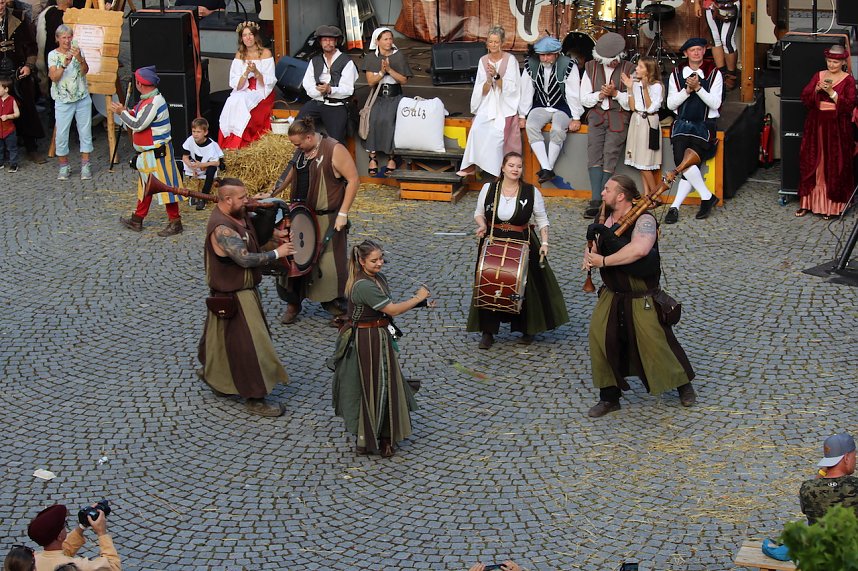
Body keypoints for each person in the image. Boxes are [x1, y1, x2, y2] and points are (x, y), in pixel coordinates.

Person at [582, 175, 696, 417]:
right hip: (612, 293)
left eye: (607, 189)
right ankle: (609, 397)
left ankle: (683, 383)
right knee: (600, 338)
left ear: (621, 195)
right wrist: (590, 253)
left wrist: (603, 261)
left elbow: (639, 250)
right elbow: (594, 245)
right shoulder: (604, 217)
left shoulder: (644, 219)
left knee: (655, 342)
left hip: (639, 294)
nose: (602, 193)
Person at [197, 178, 294, 417]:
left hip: (242, 293)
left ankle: (218, 378)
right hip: (235, 296)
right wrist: (276, 253)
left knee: (223, 345)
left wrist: (274, 232)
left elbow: (252, 237)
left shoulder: (238, 216)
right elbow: (244, 258)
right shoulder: (222, 228)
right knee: (252, 347)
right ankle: (255, 398)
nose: (246, 200)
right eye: (241, 197)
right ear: (227, 199)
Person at [331, 239, 432, 457]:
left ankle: (386, 436)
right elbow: (393, 310)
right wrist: (417, 297)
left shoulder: (378, 279)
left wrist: (421, 303)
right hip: (367, 340)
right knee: (370, 387)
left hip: (379, 336)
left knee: (386, 385)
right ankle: (367, 437)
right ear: (361, 261)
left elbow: (384, 310)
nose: (379, 263)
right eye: (374, 260)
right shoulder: (363, 285)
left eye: (381, 259)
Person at [467, 151, 569, 349]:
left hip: (522, 241)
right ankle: (488, 332)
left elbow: (541, 219)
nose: (515, 169)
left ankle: (527, 329)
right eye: (511, 165)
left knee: (525, 285)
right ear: (503, 168)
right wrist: (482, 225)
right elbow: (479, 214)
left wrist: (545, 243)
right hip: (493, 241)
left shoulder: (531, 192)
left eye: (519, 166)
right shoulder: (489, 188)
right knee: (488, 282)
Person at [277, 117, 359, 325]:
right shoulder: (303, 151)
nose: (296, 148)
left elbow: (353, 180)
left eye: (298, 144)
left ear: (310, 136)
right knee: (294, 258)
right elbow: (291, 171)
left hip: (326, 217)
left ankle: (337, 308)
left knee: (328, 263)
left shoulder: (334, 149)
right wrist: (272, 192)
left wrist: (343, 213)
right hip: (300, 215)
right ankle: (293, 303)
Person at [110, 65, 186, 237]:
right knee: (145, 187)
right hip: (148, 154)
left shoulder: (154, 102)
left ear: (139, 83)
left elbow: (138, 124)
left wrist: (122, 112)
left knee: (167, 188)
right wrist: (126, 112)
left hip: (158, 153)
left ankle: (176, 222)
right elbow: (136, 115)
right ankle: (137, 219)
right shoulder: (147, 100)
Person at [664, 37, 722, 224]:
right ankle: (707, 197)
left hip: (704, 125)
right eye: (692, 50)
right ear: (686, 53)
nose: (696, 53)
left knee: (688, 165)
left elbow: (715, 104)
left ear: (704, 51)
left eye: (699, 49)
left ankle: (675, 207)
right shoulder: (676, 73)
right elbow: (671, 104)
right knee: (684, 163)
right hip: (682, 124)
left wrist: (698, 88)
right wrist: (687, 91)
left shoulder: (714, 73)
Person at [795, 44, 856, 220]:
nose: (831, 65)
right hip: (816, 126)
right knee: (812, 161)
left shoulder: (848, 80)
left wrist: (832, 94)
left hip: (836, 128)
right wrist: (815, 90)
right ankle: (808, 202)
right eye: (829, 61)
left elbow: (849, 105)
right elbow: (805, 98)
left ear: (843, 62)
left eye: (835, 62)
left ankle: (832, 205)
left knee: (833, 164)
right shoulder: (819, 75)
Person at [580, 32, 634, 219]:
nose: (609, 63)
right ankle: (596, 199)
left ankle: (607, 201)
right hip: (597, 115)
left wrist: (616, 93)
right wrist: (601, 95)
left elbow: (631, 102)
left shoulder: (630, 68)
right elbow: (584, 99)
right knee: (594, 154)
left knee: (610, 154)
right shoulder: (590, 67)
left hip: (618, 116)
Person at [456, 25, 521, 178]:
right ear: (487, 43)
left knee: (496, 134)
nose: (493, 45)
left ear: (502, 42)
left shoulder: (510, 60)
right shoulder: (483, 60)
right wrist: (488, 80)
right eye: (490, 42)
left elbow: (512, 88)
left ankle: (495, 171)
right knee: (477, 128)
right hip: (488, 101)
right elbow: (481, 88)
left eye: (496, 42)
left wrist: (497, 76)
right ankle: (471, 165)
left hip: (504, 103)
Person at [518, 35, 583, 184]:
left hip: (563, 106)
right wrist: (522, 114)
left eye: (548, 55)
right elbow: (526, 91)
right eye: (542, 55)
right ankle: (547, 169)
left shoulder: (568, 65)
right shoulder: (531, 64)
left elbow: (573, 93)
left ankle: (547, 168)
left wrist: (576, 117)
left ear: (557, 53)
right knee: (531, 126)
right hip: (540, 104)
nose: (545, 58)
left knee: (558, 129)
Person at [218, 21, 276, 150]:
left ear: (256, 36)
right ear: (241, 38)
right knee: (231, 101)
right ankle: (230, 142)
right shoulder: (240, 55)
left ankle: (242, 142)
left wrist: (255, 72)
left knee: (242, 102)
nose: (248, 38)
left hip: (261, 91)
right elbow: (235, 84)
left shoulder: (266, 53)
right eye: (245, 35)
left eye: (250, 34)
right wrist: (246, 73)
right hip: (244, 89)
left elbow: (269, 80)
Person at [361, 26, 412, 175]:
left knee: (391, 122)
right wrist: (382, 72)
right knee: (374, 120)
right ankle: (373, 157)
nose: (389, 41)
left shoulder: (398, 56)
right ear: (377, 41)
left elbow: (403, 80)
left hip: (395, 95)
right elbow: (371, 82)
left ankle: (392, 157)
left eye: (390, 38)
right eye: (385, 39)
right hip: (378, 96)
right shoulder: (371, 58)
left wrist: (390, 70)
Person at [0, 0, 46, 164]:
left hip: (18, 73)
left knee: (27, 108)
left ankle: (31, 148)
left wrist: (28, 66)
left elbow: (32, 47)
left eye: (2, 1)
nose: (0, 5)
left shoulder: (18, 17)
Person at [296, 25, 358, 144]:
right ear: (320, 42)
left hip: (337, 105)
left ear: (336, 41)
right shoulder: (315, 60)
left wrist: (330, 90)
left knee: (336, 141)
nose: (328, 42)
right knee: (298, 126)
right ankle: (308, 155)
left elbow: (348, 89)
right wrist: (319, 91)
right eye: (325, 40)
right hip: (318, 101)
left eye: (331, 39)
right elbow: (307, 84)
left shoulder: (346, 61)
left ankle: (336, 161)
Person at [47, 24, 92, 181]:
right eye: (64, 37)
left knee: (85, 131)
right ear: (57, 38)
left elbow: (85, 70)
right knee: (61, 134)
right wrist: (64, 63)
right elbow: (54, 77)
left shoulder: (79, 51)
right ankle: (64, 166)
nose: (67, 41)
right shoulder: (53, 55)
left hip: (82, 97)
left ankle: (86, 165)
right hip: (63, 100)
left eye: (69, 37)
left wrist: (79, 58)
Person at [26, 503, 121, 571]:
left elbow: (61, 552)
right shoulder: (77, 567)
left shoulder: (33, 560)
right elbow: (113, 567)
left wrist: (82, 526)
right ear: (59, 536)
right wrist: (102, 533)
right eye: (65, 524)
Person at [621, 56, 663, 196]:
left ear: (648, 71)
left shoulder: (657, 86)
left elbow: (650, 107)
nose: (636, 69)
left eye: (640, 67)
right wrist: (629, 89)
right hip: (637, 120)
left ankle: (655, 195)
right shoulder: (636, 83)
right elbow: (633, 107)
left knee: (645, 162)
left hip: (648, 122)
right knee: (640, 161)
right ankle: (647, 194)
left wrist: (645, 89)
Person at [800, 433, 858, 525]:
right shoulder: (855, 486)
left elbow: (815, 485)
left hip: (818, 539)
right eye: (854, 456)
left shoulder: (807, 489)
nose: (855, 460)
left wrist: (823, 471)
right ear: (846, 458)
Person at [695, 0, 739, 91]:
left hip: (730, 3)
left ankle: (731, 75)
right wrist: (696, 3)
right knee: (715, 40)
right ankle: (721, 74)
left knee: (727, 40)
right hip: (710, 4)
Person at [182, 117, 224, 211]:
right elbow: (184, 157)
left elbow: (217, 162)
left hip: (207, 165)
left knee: (211, 170)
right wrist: (191, 167)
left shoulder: (211, 145)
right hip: (195, 165)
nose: (195, 134)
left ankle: (204, 197)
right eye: (193, 131)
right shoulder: (189, 140)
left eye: (198, 132)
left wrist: (201, 165)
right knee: (181, 165)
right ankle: (190, 194)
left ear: (205, 132)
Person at [0, 76, 19, 171]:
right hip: (0, 129)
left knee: (12, 147)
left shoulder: (12, 100)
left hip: (9, 129)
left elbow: (17, 114)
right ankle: (0, 162)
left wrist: (8, 116)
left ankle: (13, 164)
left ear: (6, 89)